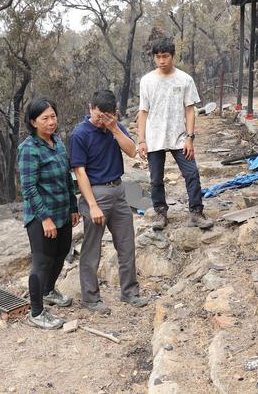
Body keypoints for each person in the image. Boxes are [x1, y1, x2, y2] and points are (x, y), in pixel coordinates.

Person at [70, 90, 148, 315]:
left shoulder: (116, 128)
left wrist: (114, 128)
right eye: (98, 114)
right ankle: (90, 298)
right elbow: (80, 172)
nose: (101, 119)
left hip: (118, 189)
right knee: (92, 248)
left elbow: (132, 151)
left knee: (126, 243)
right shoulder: (80, 133)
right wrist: (92, 204)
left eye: (107, 115)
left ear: (114, 113)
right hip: (95, 192)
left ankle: (130, 292)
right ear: (90, 108)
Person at [138, 38, 213, 231]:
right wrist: (142, 140)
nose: (161, 60)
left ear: (172, 56)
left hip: (180, 136)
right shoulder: (147, 80)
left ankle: (196, 212)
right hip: (154, 137)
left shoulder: (185, 79)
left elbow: (190, 110)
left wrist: (190, 137)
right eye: (158, 57)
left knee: (192, 173)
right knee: (155, 179)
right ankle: (160, 213)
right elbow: (143, 111)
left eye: (165, 56)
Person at [17, 97, 80, 330]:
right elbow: (29, 188)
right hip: (41, 216)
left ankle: (49, 290)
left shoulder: (58, 143)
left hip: (62, 211)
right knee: (42, 262)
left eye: (53, 116)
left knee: (61, 252)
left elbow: (66, 178)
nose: (51, 122)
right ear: (33, 122)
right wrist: (44, 218)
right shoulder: (28, 149)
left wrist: (73, 207)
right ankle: (36, 312)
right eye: (45, 118)